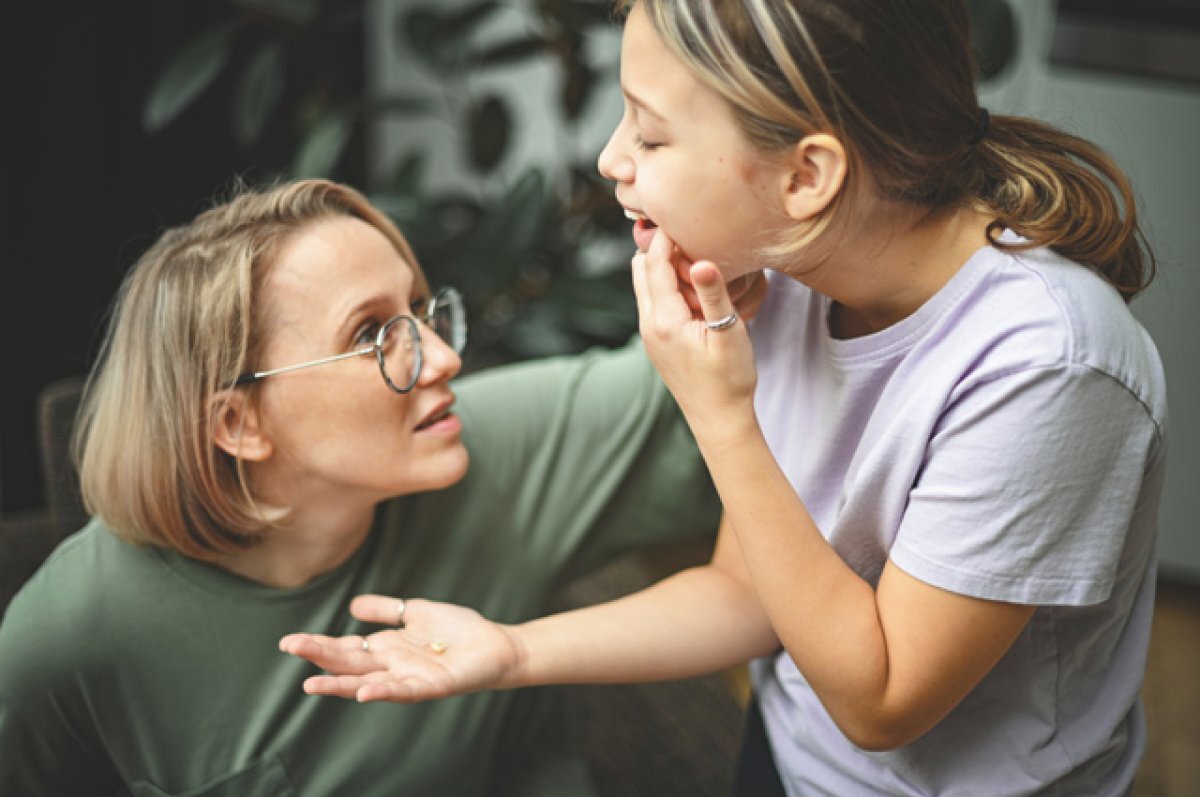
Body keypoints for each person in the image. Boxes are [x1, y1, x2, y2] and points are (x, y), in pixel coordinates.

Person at [280, 2, 1169, 795]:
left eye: (651, 134)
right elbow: (747, 596)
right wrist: (513, 649)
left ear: (807, 176)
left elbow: (882, 699)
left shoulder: (1049, 366)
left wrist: (721, 412)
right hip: (787, 755)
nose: (609, 158)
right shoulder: (785, 269)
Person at [0, 177, 750, 796]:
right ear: (237, 422)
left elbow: (722, 353)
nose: (443, 359)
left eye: (419, 311)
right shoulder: (67, 634)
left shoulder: (483, 444)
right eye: (370, 336)